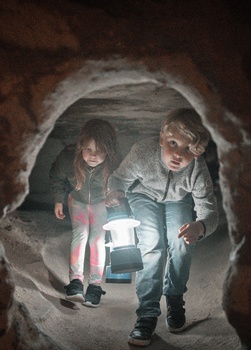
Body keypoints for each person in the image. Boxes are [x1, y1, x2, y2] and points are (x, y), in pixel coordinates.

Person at [105, 108, 219, 346]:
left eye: (188, 149)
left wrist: (199, 226)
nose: (178, 155)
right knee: (152, 244)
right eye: (173, 143)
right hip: (143, 196)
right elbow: (119, 178)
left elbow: (210, 213)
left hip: (178, 199)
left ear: (197, 152)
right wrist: (114, 191)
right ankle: (146, 315)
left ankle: (175, 298)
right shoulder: (143, 152)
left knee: (182, 243)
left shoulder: (196, 169)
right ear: (161, 138)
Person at [49, 118, 119, 308]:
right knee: (80, 235)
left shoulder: (113, 165)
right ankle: (76, 282)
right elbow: (56, 176)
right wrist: (58, 200)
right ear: (81, 146)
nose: (93, 156)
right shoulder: (68, 159)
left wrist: (119, 206)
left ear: (109, 150)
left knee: (97, 240)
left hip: (100, 203)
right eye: (88, 150)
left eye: (99, 151)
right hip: (77, 200)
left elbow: (122, 184)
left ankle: (95, 286)